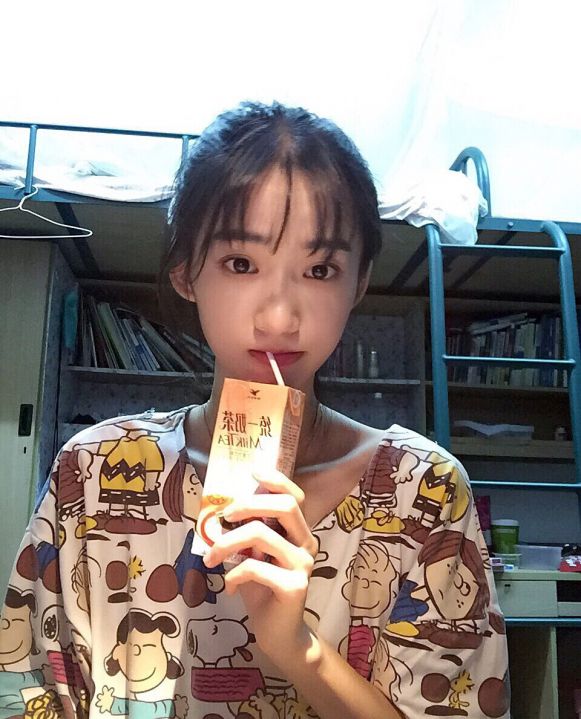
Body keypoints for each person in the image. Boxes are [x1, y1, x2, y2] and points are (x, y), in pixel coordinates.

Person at [0, 101, 510, 719]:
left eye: (320, 269)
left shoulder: (423, 489)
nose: (279, 318)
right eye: (241, 263)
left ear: (358, 282)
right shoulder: (93, 472)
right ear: (186, 271)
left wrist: (299, 649)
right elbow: (27, 693)